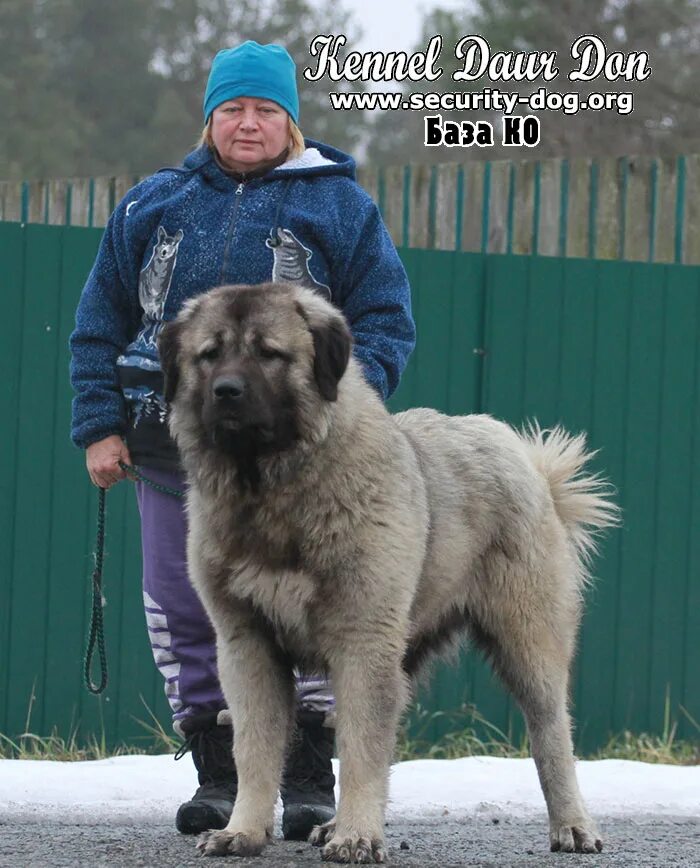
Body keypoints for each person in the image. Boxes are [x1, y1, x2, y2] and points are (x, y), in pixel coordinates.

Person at [69, 40, 415, 839]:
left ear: (290, 122)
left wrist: (351, 410)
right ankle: (221, 777)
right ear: (210, 119)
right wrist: (99, 426)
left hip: (312, 466)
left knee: (329, 615)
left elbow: (386, 321)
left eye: (265, 110)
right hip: (172, 452)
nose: (247, 124)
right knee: (190, 612)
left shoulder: (339, 206)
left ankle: (308, 780)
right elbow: (97, 323)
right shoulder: (152, 204)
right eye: (232, 109)